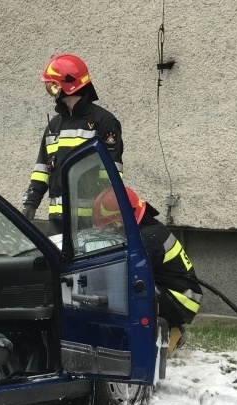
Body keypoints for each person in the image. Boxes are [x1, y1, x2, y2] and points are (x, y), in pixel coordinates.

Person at [92, 186, 202, 355]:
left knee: (131, 287)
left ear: (125, 219)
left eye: (113, 226)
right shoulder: (149, 230)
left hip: (181, 302)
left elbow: (123, 270)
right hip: (176, 295)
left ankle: (165, 335)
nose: (112, 231)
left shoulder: (147, 239)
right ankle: (169, 329)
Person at [22, 54, 123, 235]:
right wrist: (30, 203)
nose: (50, 91)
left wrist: (107, 217)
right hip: (57, 222)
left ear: (68, 84)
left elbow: (112, 176)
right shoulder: (54, 125)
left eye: (53, 85)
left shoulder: (104, 122)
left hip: (90, 222)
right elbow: (42, 170)